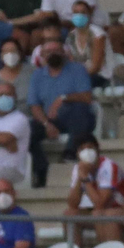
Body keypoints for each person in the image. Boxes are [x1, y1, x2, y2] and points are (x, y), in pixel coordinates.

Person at [27, 39, 95, 188]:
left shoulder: (77, 69)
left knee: (79, 109)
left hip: (75, 118)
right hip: (49, 120)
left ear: (64, 53)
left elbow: (87, 97)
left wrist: (63, 98)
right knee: (26, 129)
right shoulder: (37, 75)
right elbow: (34, 105)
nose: (53, 54)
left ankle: (70, 153)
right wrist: (46, 124)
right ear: (42, 56)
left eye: (57, 50)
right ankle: (41, 169)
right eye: (48, 52)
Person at [64, 135, 124, 246]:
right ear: (77, 153)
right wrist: (79, 179)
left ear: (97, 149)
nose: (87, 152)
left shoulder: (108, 166)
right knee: (69, 214)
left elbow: (101, 203)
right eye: (82, 149)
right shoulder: (79, 168)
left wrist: (86, 179)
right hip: (99, 212)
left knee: (100, 213)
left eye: (90, 148)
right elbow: (72, 204)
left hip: (120, 209)